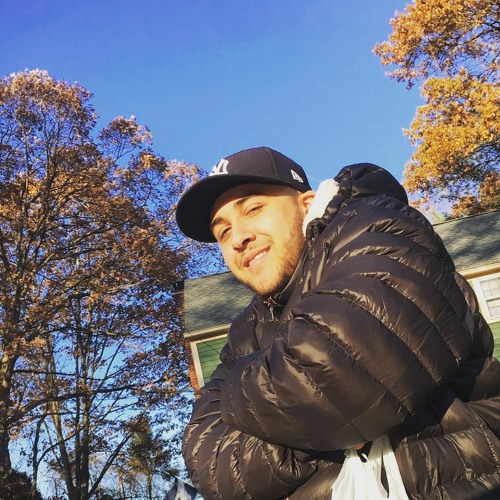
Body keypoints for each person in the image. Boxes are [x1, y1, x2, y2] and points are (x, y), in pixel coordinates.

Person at [175, 146, 500, 499]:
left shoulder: (375, 226)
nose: (238, 239)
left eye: (253, 208)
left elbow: (337, 377)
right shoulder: (246, 328)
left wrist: (236, 394)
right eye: (223, 232)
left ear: (306, 204)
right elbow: (210, 465)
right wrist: (312, 423)